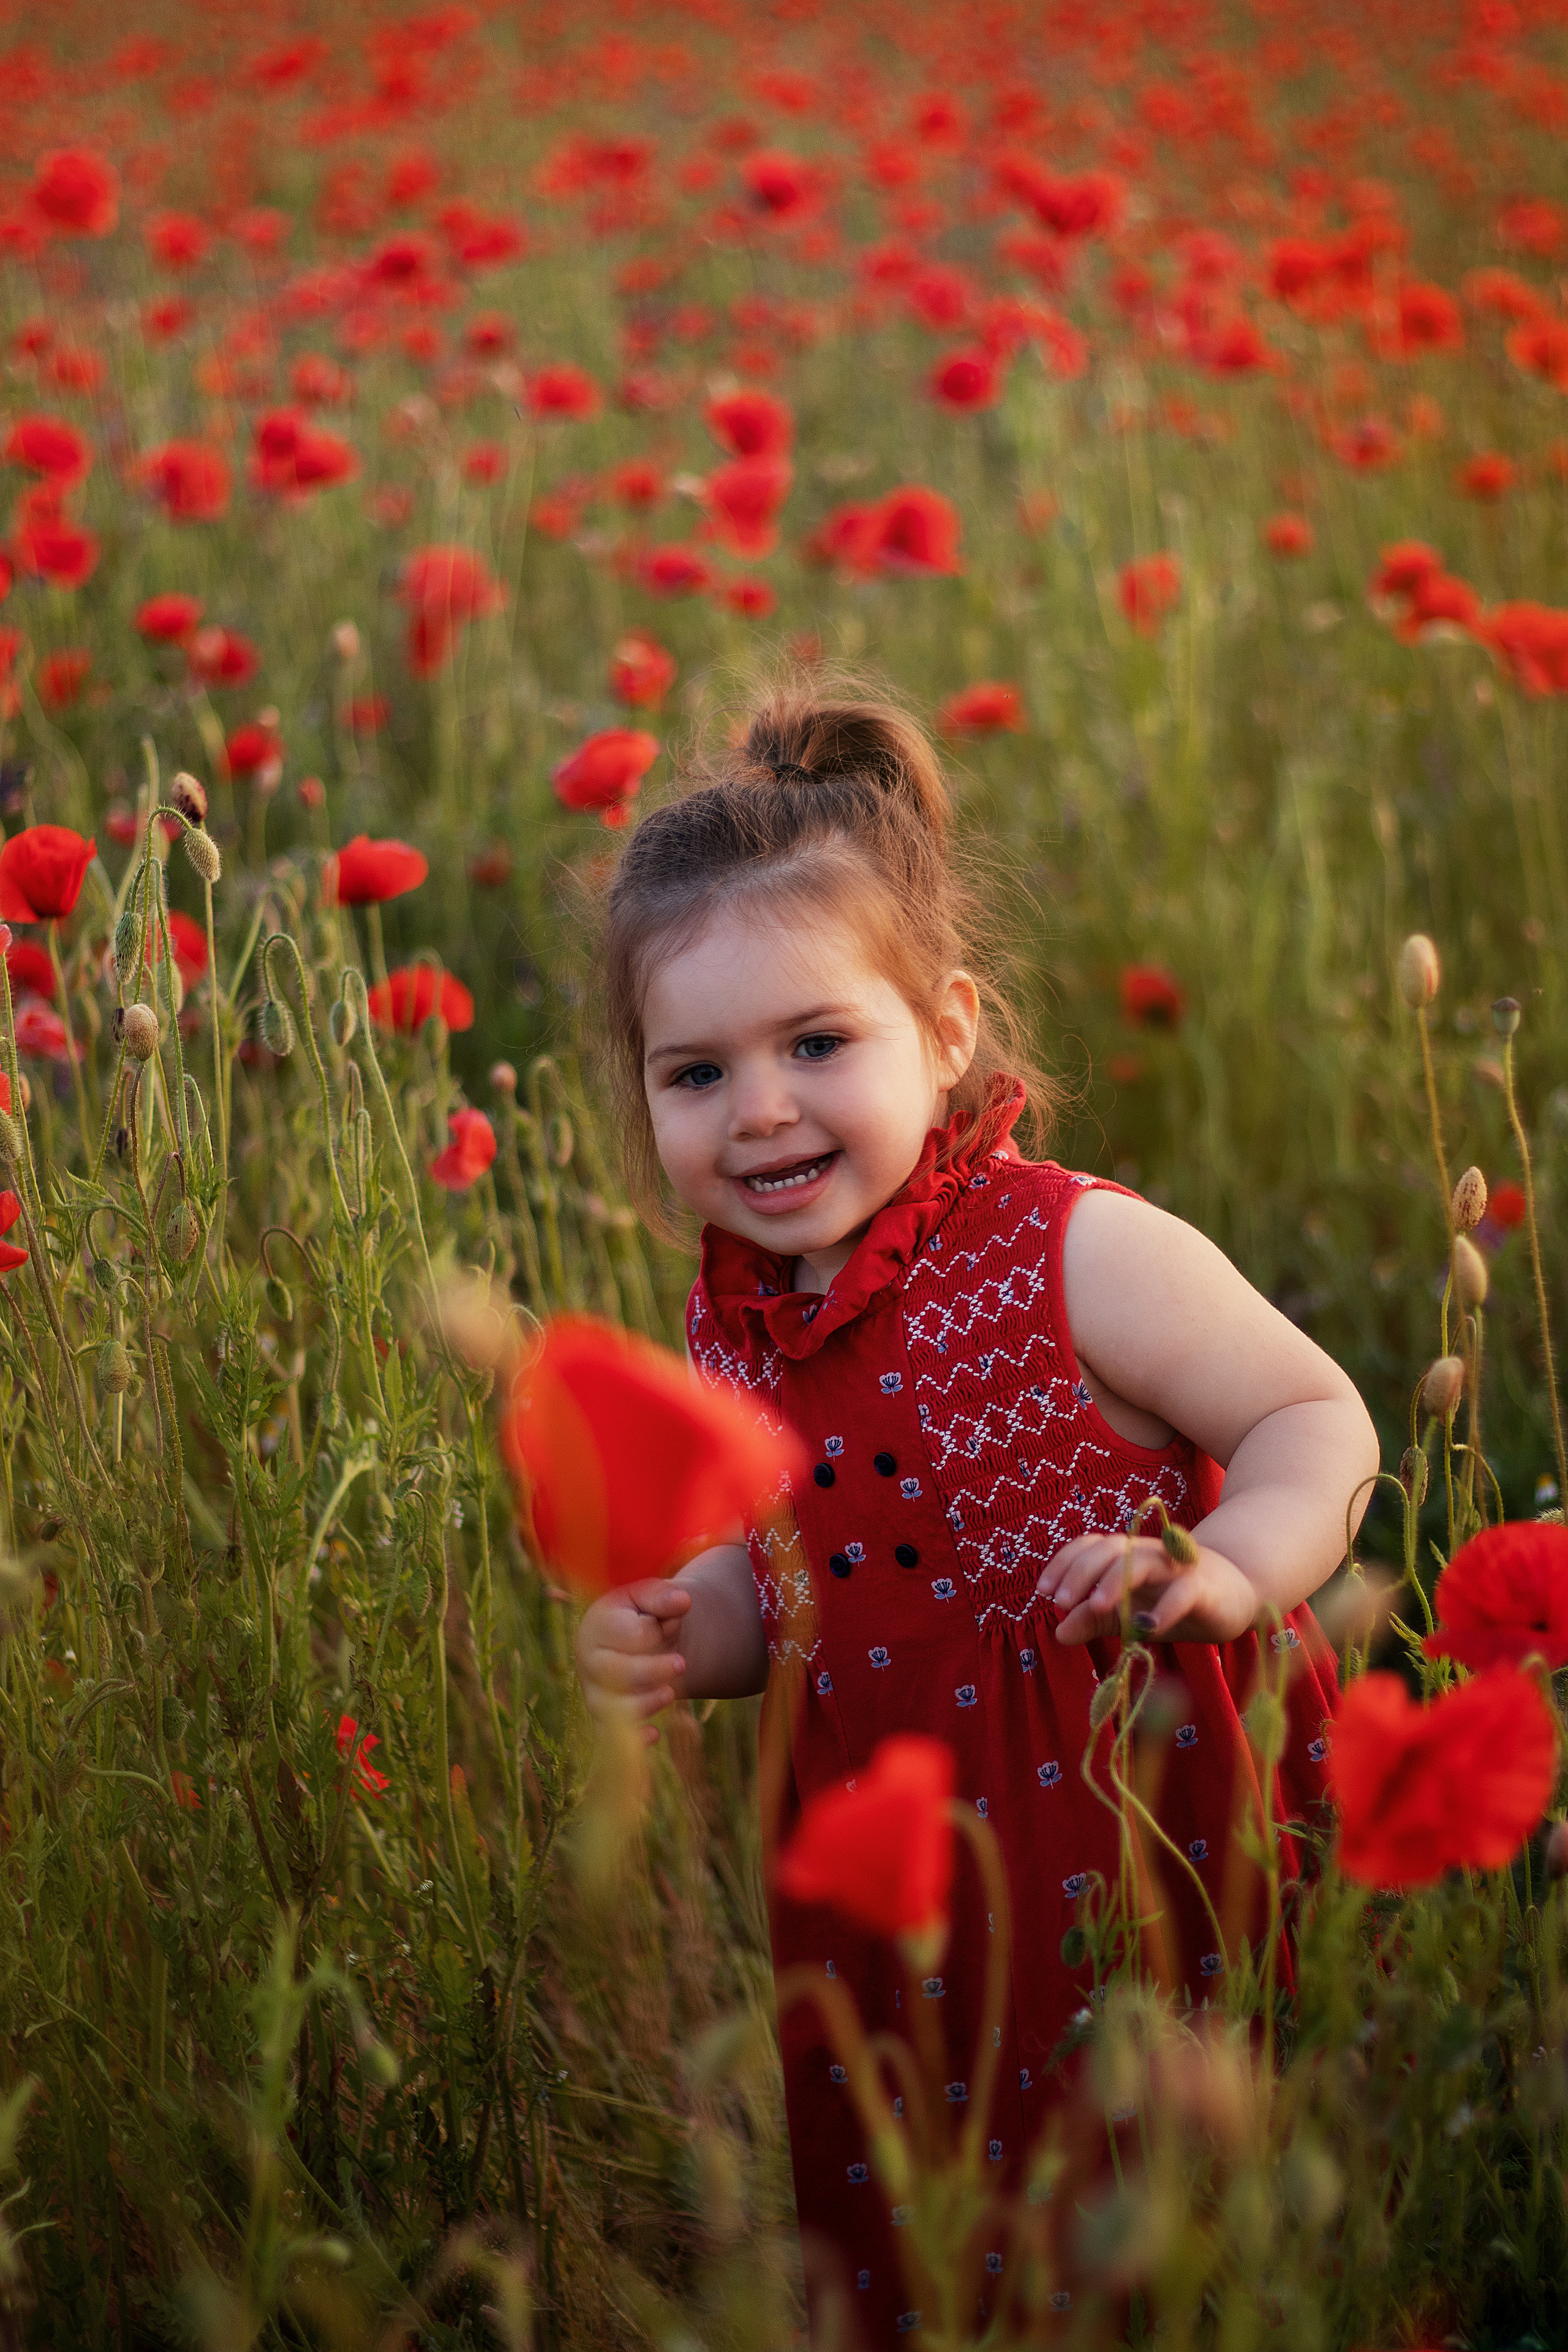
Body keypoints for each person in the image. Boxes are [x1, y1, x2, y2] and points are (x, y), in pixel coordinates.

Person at [573, 678, 1379, 2347]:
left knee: (1191, 2196)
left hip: (1147, 1815)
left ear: (946, 1032)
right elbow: (796, 1576)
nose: (760, 1108)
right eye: (696, 1072)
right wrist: (688, 1627)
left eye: (817, 1045)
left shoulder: (1070, 1250)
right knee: (956, 2217)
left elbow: (1316, 1419)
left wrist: (1229, 1572)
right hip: (904, 1885)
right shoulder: (736, 1320)